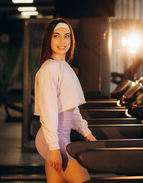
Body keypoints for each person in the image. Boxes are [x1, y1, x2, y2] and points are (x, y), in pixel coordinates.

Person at [34, 17, 97, 183]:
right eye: (56, 36)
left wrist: (86, 133)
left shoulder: (65, 67)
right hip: (54, 140)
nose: (62, 40)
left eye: (66, 36)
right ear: (48, 39)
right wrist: (54, 147)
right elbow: (48, 111)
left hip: (60, 137)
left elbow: (71, 107)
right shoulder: (49, 69)